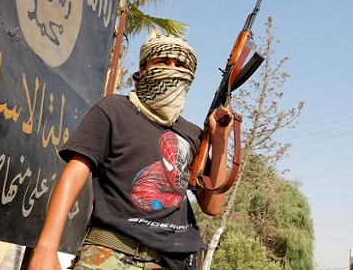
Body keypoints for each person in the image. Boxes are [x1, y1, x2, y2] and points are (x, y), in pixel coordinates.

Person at [28, 32, 233, 270]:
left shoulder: (192, 134)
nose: (172, 69)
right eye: (162, 62)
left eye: (180, 65)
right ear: (144, 67)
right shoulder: (115, 109)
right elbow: (75, 173)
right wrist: (45, 249)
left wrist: (220, 141)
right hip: (111, 255)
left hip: (170, 261)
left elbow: (213, 206)